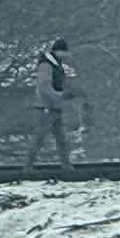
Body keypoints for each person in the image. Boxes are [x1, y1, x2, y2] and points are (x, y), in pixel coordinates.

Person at [25, 38, 80, 172]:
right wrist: (60, 96)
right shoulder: (46, 65)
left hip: (55, 107)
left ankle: (66, 165)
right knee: (40, 137)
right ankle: (28, 166)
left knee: (61, 139)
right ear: (59, 51)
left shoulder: (56, 65)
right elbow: (44, 87)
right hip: (46, 107)